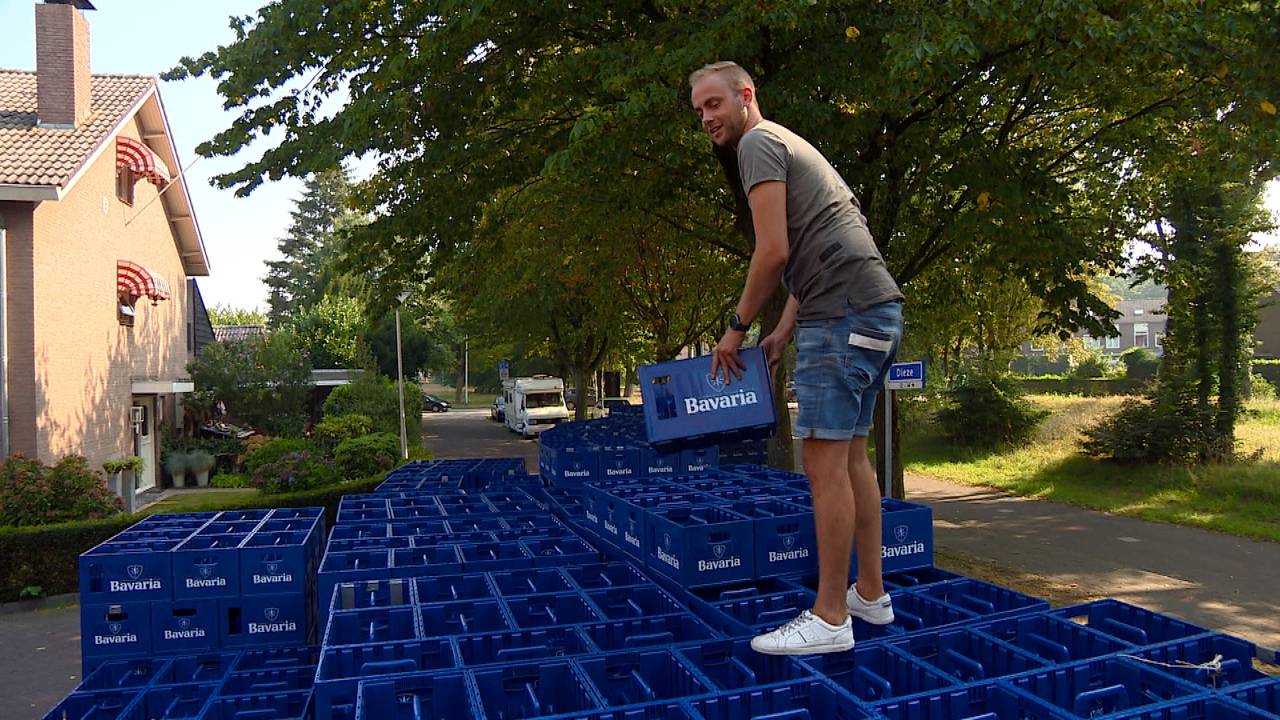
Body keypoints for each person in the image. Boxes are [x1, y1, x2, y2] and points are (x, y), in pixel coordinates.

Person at [692, 61, 906, 655]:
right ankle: (870, 593)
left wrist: (735, 329)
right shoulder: (789, 142)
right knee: (853, 456)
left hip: (842, 316)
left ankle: (830, 618)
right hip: (872, 308)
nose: (707, 118)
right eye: (699, 111)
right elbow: (816, 245)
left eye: (714, 104)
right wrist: (784, 329)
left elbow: (773, 251)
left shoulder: (757, 144)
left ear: (745, 95)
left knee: (823, 468)